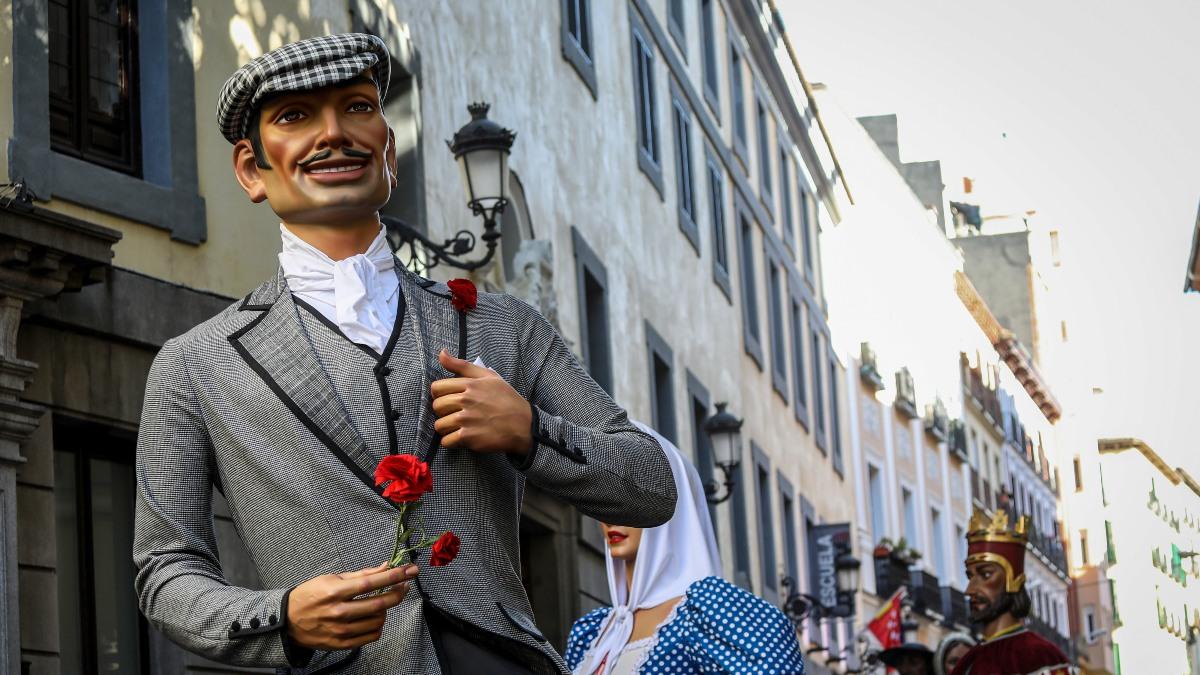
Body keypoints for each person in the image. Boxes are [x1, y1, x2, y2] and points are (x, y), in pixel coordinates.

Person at [132, 33, 676, 675]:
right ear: (252, 169)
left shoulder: (504, 325)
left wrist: (530, 433)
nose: (334, 134)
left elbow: (651, 484)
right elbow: (166, 569)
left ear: (389, 149)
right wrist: (283, 617)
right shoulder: (197, 364)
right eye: (295, 117)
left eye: (358, 107)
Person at [565, 423, 805, 674]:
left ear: (671, 508)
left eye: (628, 500)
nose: (611, 517)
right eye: (605, 500)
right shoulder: (591, 633)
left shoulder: (704, 611)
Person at [949, 509, 1076, 675]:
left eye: (986, 575)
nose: (970, 590)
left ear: (1013, 580)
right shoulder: (966, 664)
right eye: (970, 576)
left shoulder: (1041, 657)